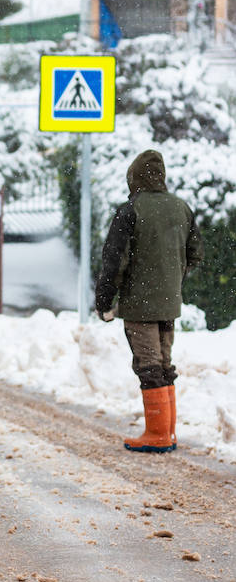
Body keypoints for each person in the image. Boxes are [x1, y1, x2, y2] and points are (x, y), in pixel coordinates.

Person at [94, 148, 203, 453]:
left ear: (134, 178)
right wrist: (172, 278)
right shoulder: (182, 208)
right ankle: (166, 432)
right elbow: (196, 253)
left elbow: (114, 262)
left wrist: (103, 301)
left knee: (149, 366)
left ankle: (156, 435)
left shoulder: (131, 210)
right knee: (164, 364)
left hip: (139, 305)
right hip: (169, 303)